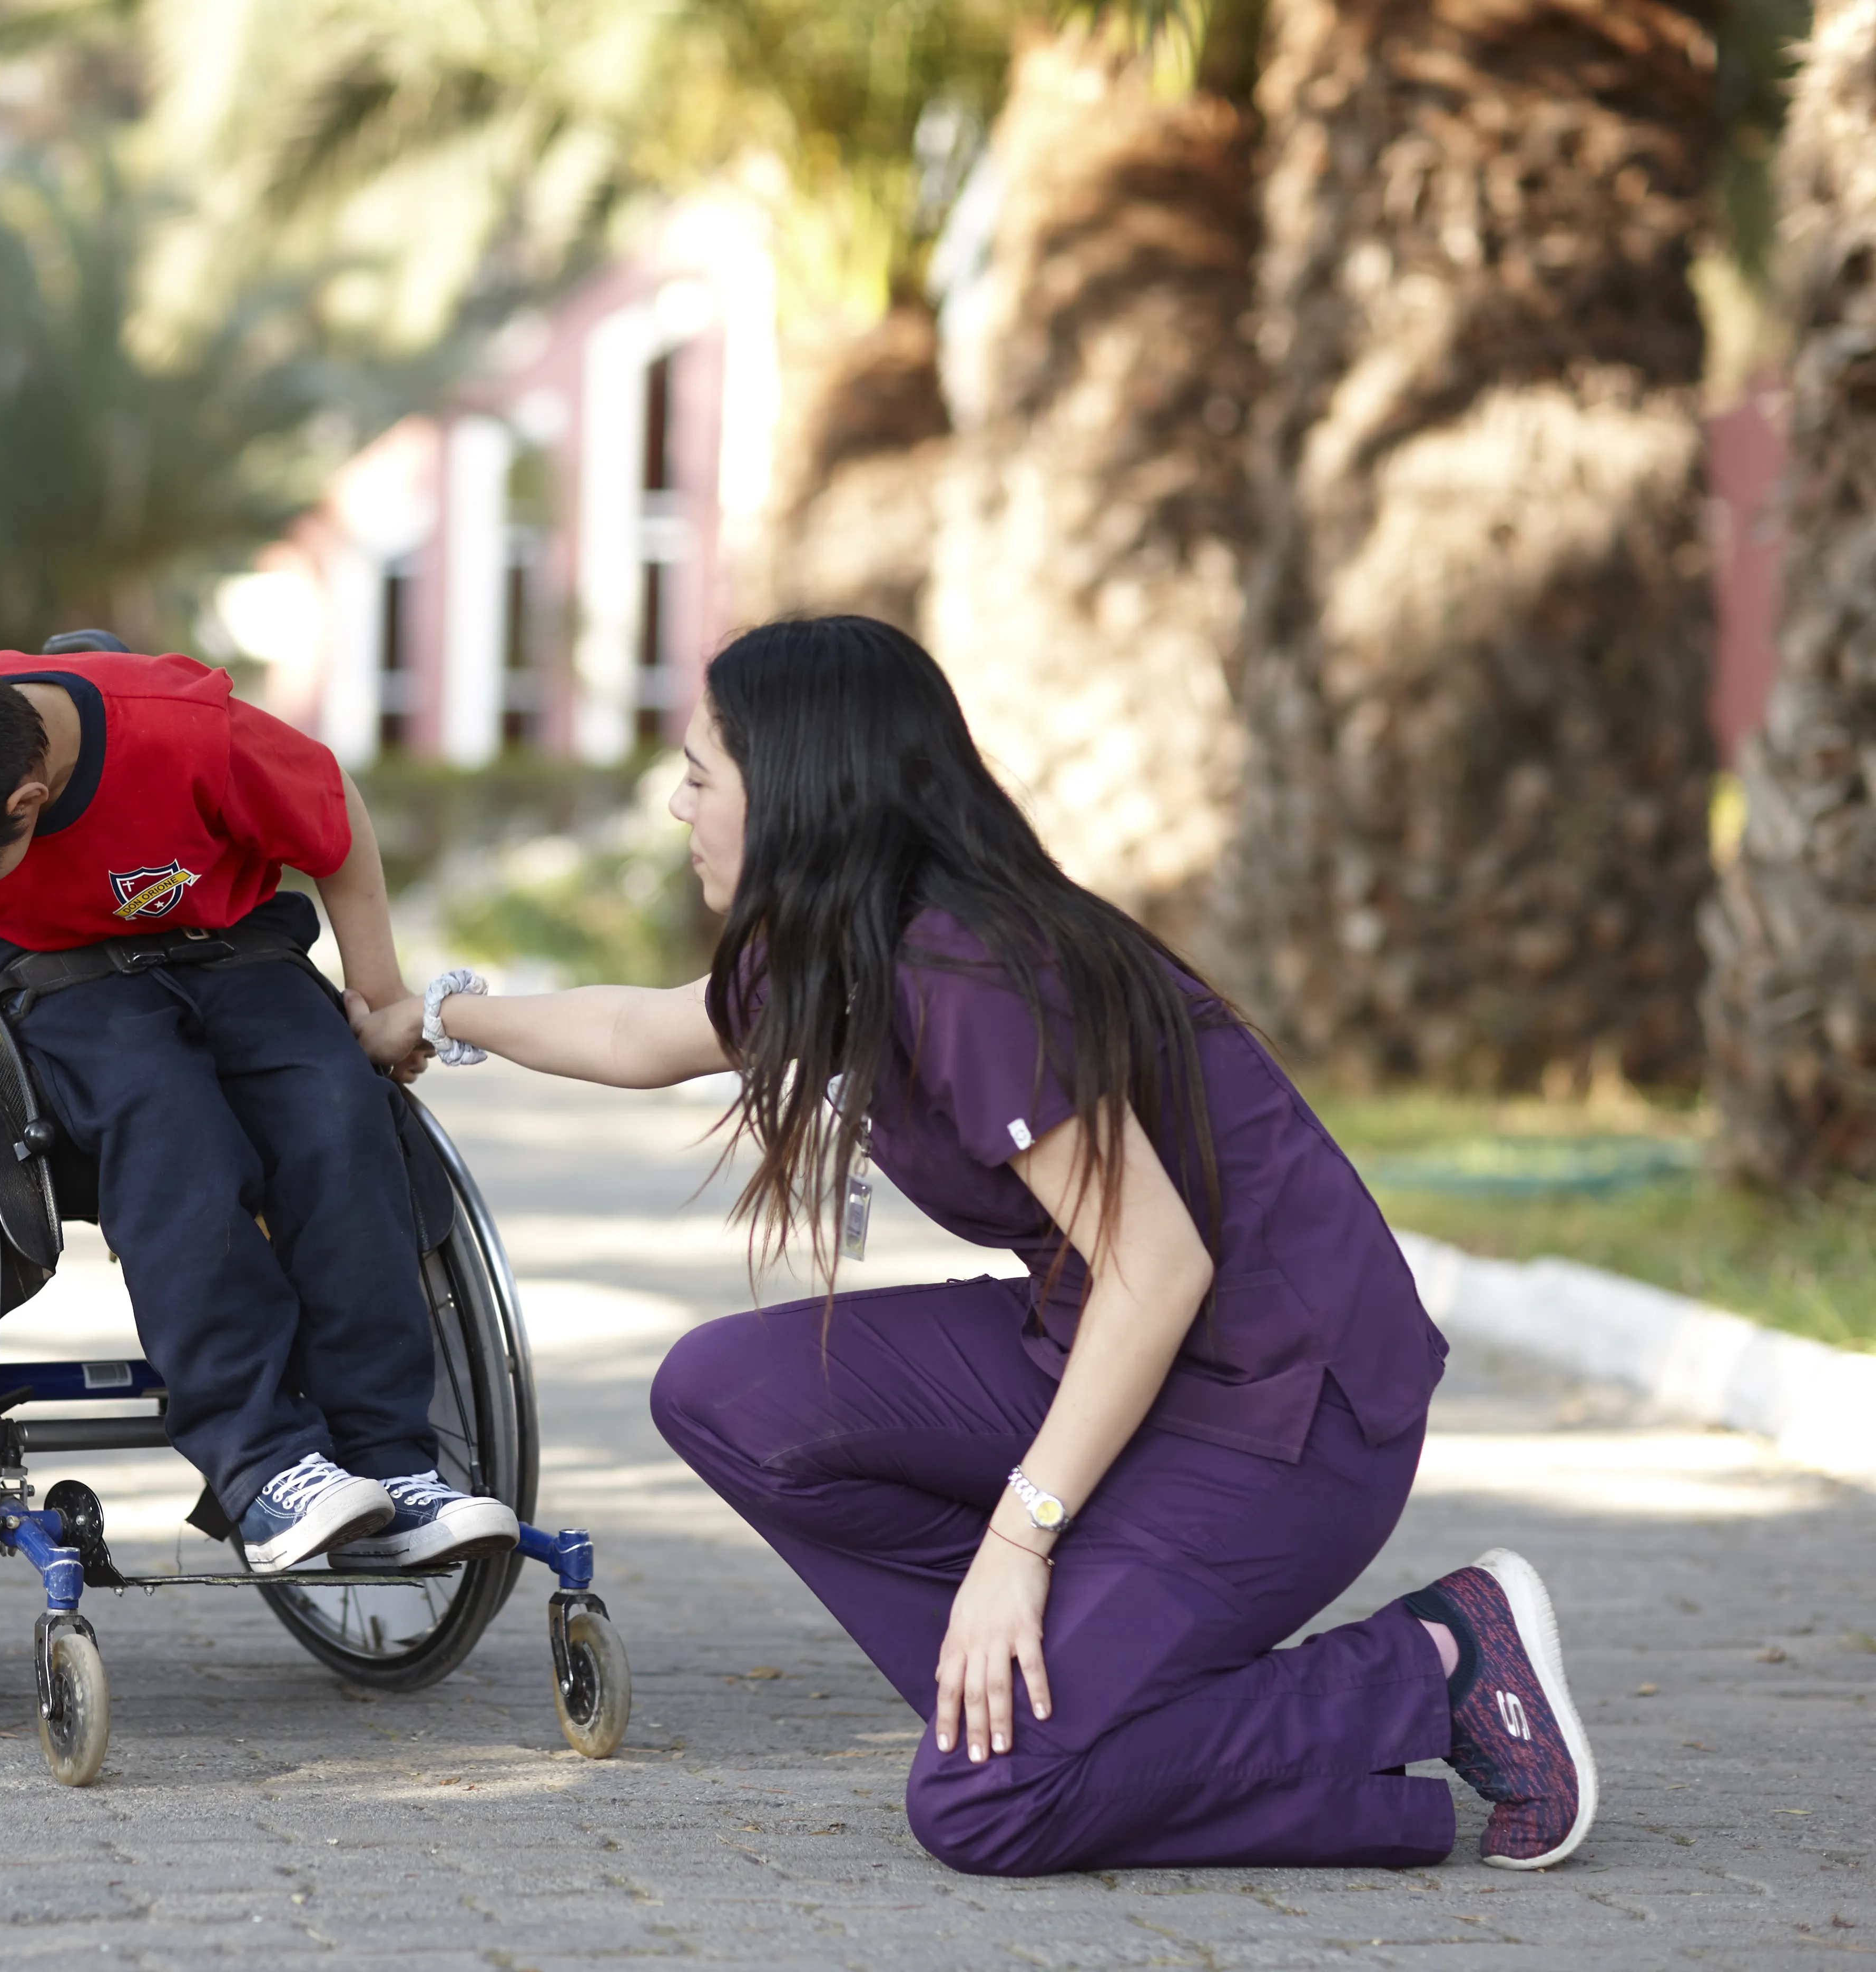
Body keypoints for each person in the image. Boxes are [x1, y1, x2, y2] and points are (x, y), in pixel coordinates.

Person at [369, 616, 1594, 1876]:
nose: (681, 809)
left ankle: (1437, 1665)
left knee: (985, 1810)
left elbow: (1159, 1268)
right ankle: (1062, 1708)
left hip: (1285, 1412)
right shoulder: (844, 946)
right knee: (725, 1395)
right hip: (1116, 1362)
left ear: (797, 793)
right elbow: (642, 1033)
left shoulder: (967, 972)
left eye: (700, 776)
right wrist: (436, 1017)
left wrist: (1021, 1540)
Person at [0, 644, 514, 1575]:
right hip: (29, 975)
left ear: (28, 803)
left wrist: (376, 994)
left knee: (339, 1106)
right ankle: (266, 1464)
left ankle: (392, 1459)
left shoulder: (188, 736)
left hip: (225, 948)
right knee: (171, 1120)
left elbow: (333, 819)